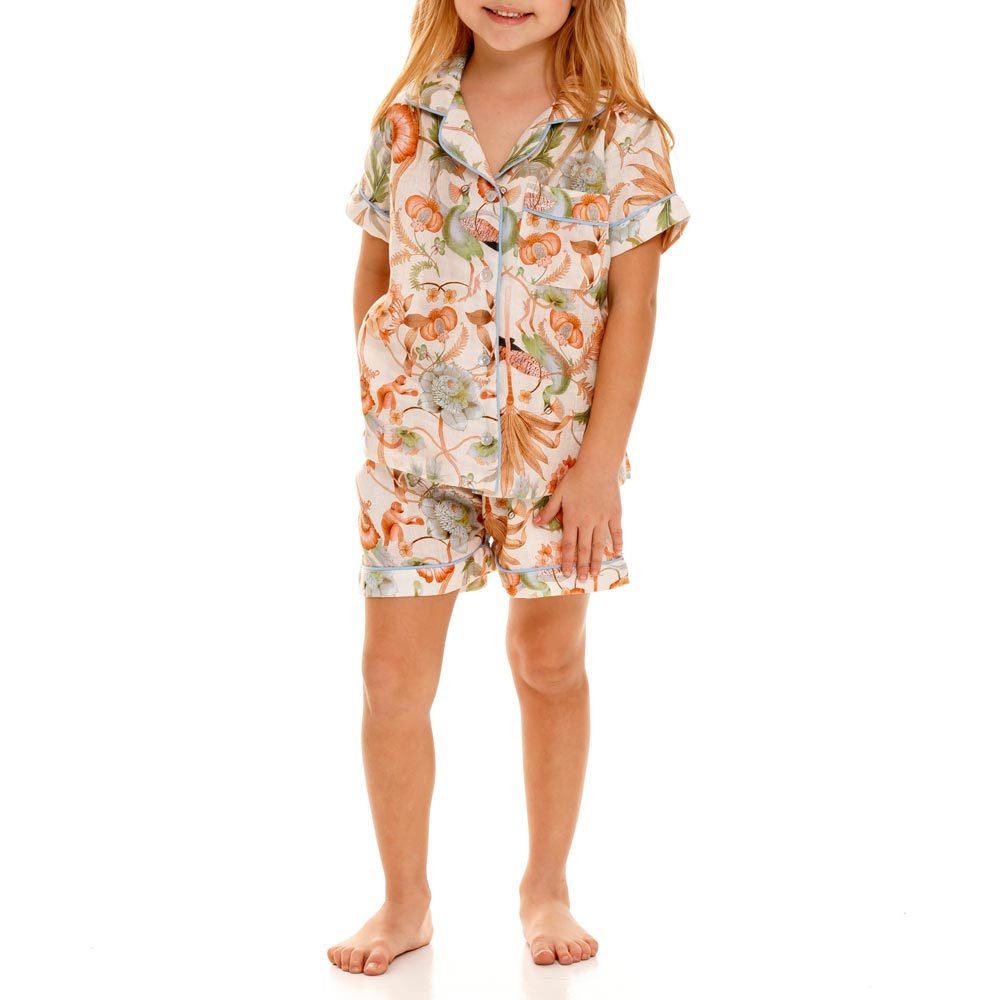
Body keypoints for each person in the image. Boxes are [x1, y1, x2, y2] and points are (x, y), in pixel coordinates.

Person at [331, 0, 689, 976]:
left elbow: (635, 307)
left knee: (547, 661)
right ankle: (404, 900)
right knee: (390, 679)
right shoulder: (405, 122)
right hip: (414, 454)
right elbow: (373, 269)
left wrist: (600, 465)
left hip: (558, 463)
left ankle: (546, 885)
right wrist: (385, 390)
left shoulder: (622, 136)